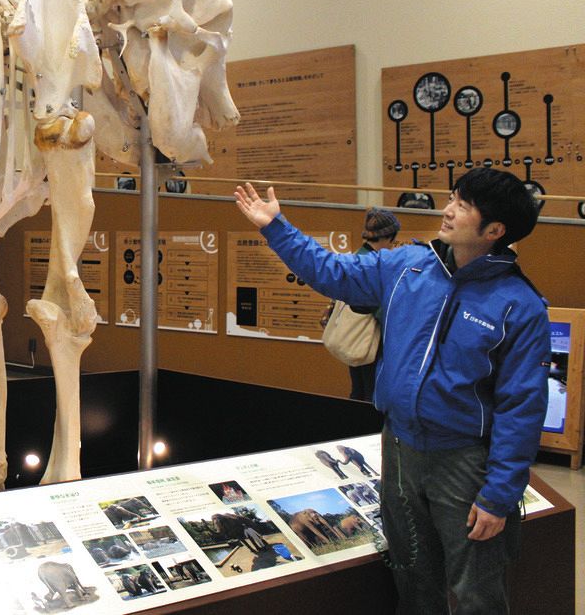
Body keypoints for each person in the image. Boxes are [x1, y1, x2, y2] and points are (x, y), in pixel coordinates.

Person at [234, 168, 549, 614]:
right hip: (399, 447)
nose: (448, 210)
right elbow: (332, 271)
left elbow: (523, 408)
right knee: (413, 575)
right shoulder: (407, 266)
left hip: (463, 462)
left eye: (463, 205)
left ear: (494, 230)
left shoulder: (520, 305)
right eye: (453, 198)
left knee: (476, 589)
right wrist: (275, 227)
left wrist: (499, 494)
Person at [347, 207, 401, 402]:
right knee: (371, 393)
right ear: (388, 237)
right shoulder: (372, 264)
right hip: (370, 337)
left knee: (358, 390)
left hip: (354, 334)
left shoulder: (357, 256)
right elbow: (377, 307)